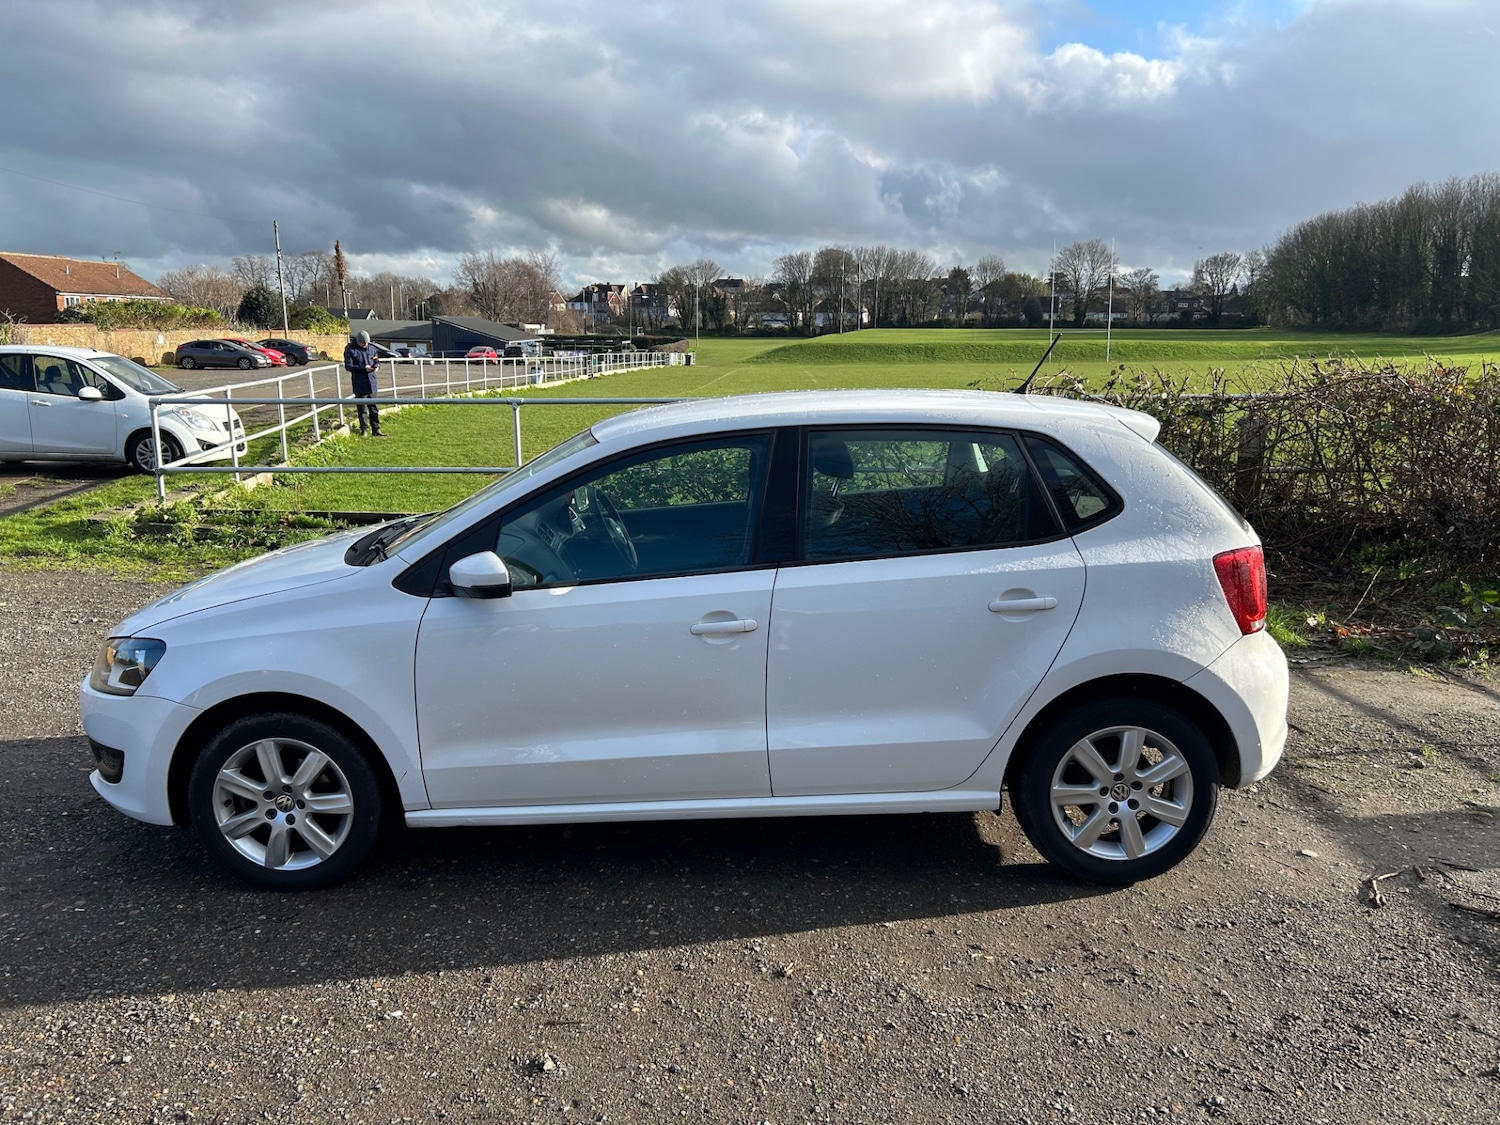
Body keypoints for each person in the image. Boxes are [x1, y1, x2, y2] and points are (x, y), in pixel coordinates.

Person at [342, 330, 383, 436]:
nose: (365, 345)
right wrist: (363, 368)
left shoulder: (372, 348)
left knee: (374, 408)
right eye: (363, 343)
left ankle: (376, 429)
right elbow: (348, 366)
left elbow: (376, 360)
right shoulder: (350, 350)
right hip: (359, 383)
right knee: (362, 409)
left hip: (372, 383)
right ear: (358, 341)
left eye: (366, 343)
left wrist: (377, 366)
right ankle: (364, 429)